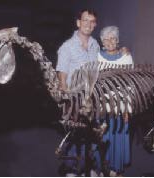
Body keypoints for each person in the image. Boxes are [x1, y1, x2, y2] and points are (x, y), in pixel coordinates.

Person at [56, 9, 100, 176]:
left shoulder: (95, 45)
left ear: (95, 25)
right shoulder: (67, 47)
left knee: (93, 134)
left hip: (92, 99)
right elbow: (62, 75)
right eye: (85, 20)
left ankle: (91, 167)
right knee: (74, 136)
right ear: (78, 23)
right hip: (74, 99)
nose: (88, 24)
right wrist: (67, 101)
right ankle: (72, 169)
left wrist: (122, 51)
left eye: (92, 21)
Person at [97, 25, 134, 175]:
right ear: (102, 41)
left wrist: (128, 110)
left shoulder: (127, 57)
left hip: (120, 105)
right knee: (102, 137)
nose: (110, 41)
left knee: (118, 136)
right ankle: (101, 167)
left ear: (117, 40)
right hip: (101, 105)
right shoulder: (96, 56)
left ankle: (115, 169)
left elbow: (131, 85)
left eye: (113, 38)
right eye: (106, 38)